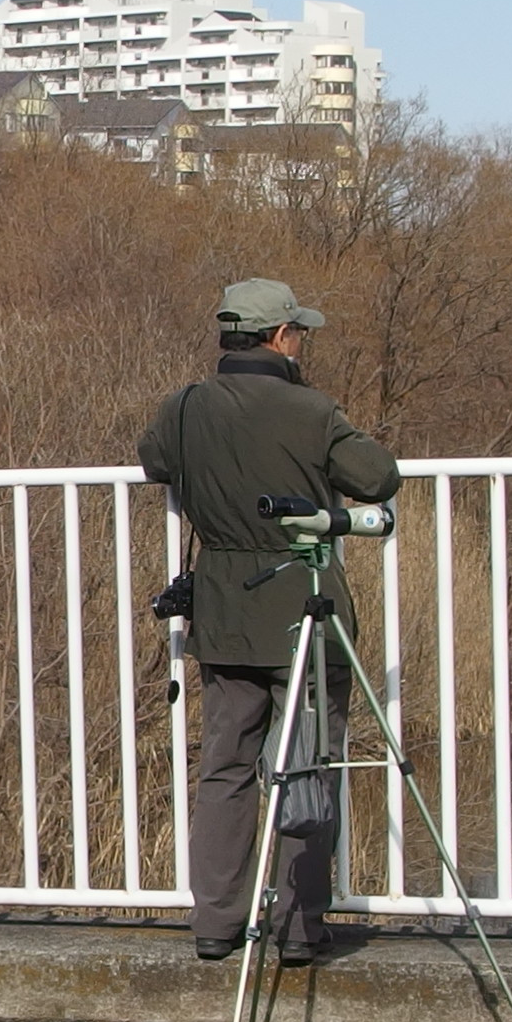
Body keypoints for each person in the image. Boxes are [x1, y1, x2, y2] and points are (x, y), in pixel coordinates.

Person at [139, 279, 399, 967]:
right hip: (303, 607)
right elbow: (377, 477)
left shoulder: (187, 406)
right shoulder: (310, 409)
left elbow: (154, 460)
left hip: (223, 608)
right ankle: (299, 925)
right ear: (281, 337)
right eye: (299, 333)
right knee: (307, 764)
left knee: (225, 765)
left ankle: (216, 922)